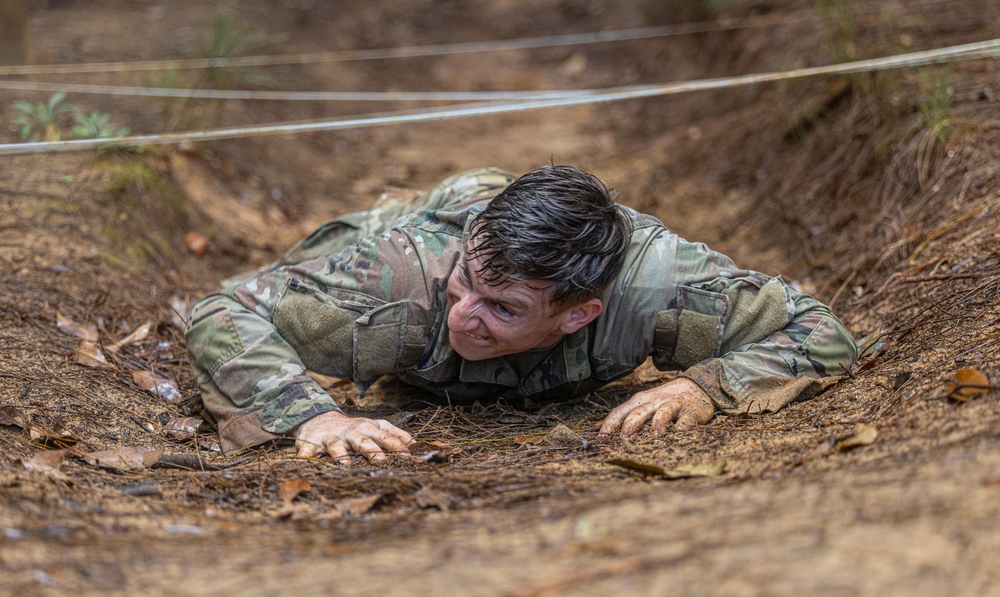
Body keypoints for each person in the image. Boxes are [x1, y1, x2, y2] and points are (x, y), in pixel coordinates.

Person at [186, 166, 857, 464]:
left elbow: (822, 331)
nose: (464, 315)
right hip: (418, 227)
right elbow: (223, 308)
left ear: (578, 316)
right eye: (469, 285)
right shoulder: (396, 282)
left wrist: (706, 386)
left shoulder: (657, 287)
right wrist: (312, 414)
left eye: (503, 308)